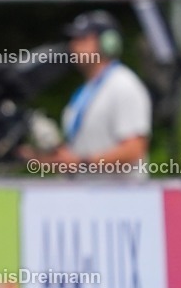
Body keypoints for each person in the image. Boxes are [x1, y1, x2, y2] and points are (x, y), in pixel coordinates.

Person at [25, 10, 151, 175]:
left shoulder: (124, 85)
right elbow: (73, 160)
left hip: (117, 192)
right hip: (91, 190)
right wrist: (32, 157)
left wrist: (81, 163)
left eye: (82, 39)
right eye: (74, 40)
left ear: (108, 43)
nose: (73, 46)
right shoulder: (87, 90)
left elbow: (134, 149)